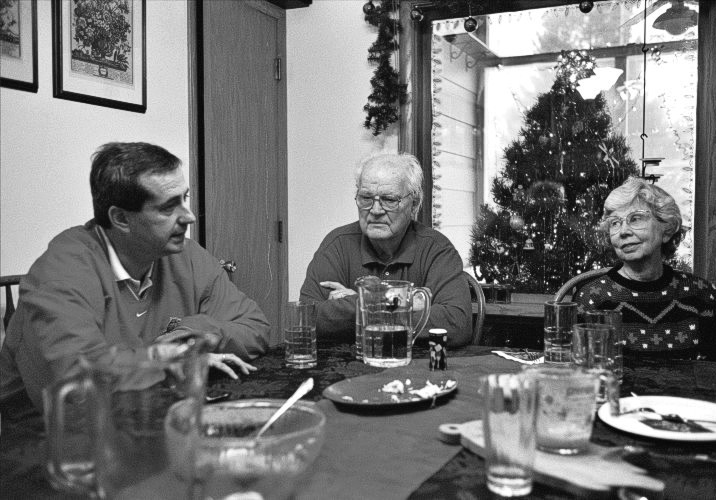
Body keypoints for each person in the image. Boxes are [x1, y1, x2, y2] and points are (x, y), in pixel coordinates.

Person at [0, 142, 270, 410]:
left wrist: (188, 335)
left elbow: (255, 327)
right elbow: (79, 381)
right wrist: (168, 358)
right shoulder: (62, 270)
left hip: (144, 413)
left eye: (184, 199)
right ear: (121, 218)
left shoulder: (186, 255)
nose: (189, 217)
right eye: (168, 207)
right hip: (35, 428)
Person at [300, 153, 472, 346]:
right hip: (349, 363)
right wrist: (402, 301)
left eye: (389, 199)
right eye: (366, 197)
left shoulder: (436, 248)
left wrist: (360, 305)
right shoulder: (337, 244)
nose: (375, 210)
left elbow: (457, 324)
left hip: (415, 364)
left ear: (414, 204)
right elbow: (306, 318)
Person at [574, 177, 716, 365]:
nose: (623, 231)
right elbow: (580, 375)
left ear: (667, 230)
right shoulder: (592, 298)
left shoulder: (699, 294)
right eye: (615, 223)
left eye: (636, 219)